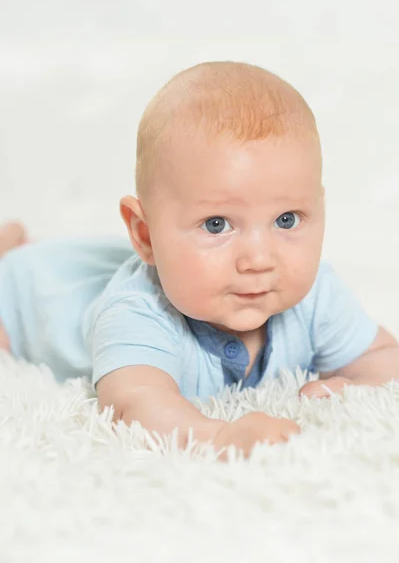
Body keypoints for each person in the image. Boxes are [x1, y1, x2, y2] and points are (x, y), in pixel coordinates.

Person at [1, 61, 398, 460]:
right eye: (216, 224)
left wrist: (356, 385)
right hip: (24, 293)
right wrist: (218, 438)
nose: (259, 259)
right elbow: (133, 407)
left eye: (286, 220)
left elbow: (382, 356)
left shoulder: (316, 297)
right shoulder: (138, 312)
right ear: (145, 234)